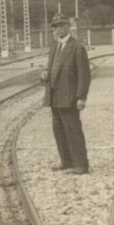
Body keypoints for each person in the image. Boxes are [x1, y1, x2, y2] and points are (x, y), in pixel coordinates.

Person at [40, 13, 91, 175]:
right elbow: (52, 69)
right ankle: (66, 162)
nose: (58, 30)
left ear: (69, 27)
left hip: (69, 97)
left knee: (73, 130)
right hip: (54, 96)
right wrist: (45, 74)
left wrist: (81, 97)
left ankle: (81, 165)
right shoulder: (54, 47)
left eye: (61, 26)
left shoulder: (77, 47)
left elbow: (84, 74)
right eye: (55, 27)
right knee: (59, 130)